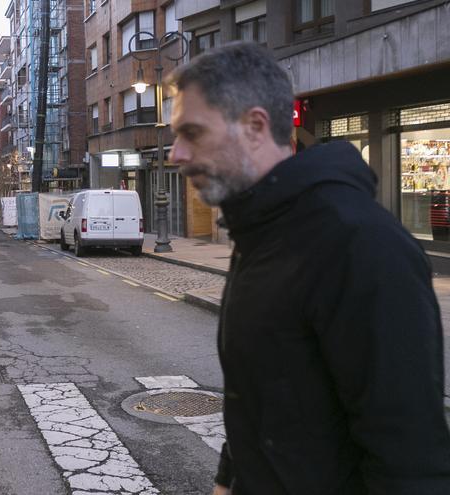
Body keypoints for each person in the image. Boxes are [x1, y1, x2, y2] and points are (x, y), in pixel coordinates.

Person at [166, 42, 450, 495]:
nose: (175, 155)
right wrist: (227, 480)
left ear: (255, 125)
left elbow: (409, 455)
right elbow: (264, 397)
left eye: (192, 133)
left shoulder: (358, 243)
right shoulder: (261, 228)